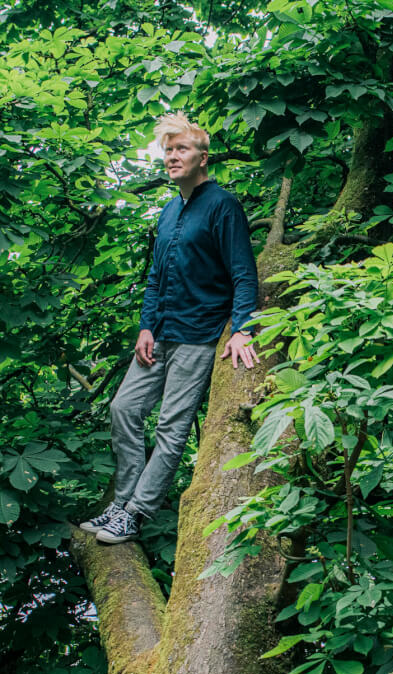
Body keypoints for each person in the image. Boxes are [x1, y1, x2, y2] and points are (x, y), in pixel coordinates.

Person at [79, 113, 259, 544]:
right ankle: (121, 503)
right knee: (122, 409)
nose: (172, 157)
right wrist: (145, 327)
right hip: (159, 335)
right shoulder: (168, 210)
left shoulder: (222, 205)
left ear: (203, 157)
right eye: (167, 150)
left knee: (172, 428)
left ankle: (136, 514)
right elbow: (156, 277)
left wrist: (242, 329)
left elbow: (243, 273)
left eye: (181, 149)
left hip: (198, 336)